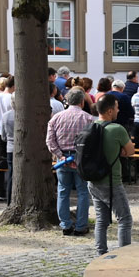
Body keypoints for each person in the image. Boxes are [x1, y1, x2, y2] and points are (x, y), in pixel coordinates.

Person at [88, 93, 136, 255]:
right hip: (112, 181)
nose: (118, 110)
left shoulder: (91, 127)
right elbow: (131, 151)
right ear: (109, 111)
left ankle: (100, 253)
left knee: (101, 220)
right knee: (125, 219)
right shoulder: (117, 129)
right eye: (116, 107)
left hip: (93, 180)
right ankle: (123, 256)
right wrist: (120, 150)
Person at [46, 87, 94, 237]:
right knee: (82, 192)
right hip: (81, 159)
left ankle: (65, 224)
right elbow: (93, 142)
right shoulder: (88, 119)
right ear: (82, 101)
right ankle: (81, 225)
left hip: (63, 159)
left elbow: (50, 141)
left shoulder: (56, 118)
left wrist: (60, 155)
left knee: (63, 192)